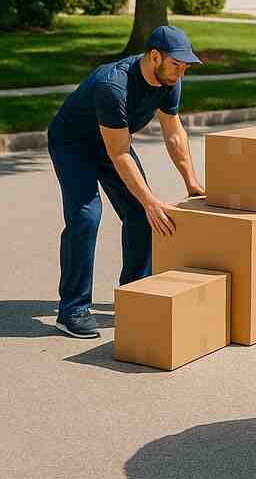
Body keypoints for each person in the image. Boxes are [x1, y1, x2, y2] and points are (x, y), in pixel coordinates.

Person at [46, 25, 204, 339]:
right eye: (176, 65)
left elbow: (173, 132)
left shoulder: (168, 80)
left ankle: (135, 294)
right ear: (154, 56)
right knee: (86, 217)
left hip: (112, 143)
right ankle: (73, 309)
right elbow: (119, 154)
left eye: (185, 68)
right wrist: (150, 201)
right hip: (73, 143)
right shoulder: (113, 85)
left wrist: (192, 183)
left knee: (142, 215)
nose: (180, 74)